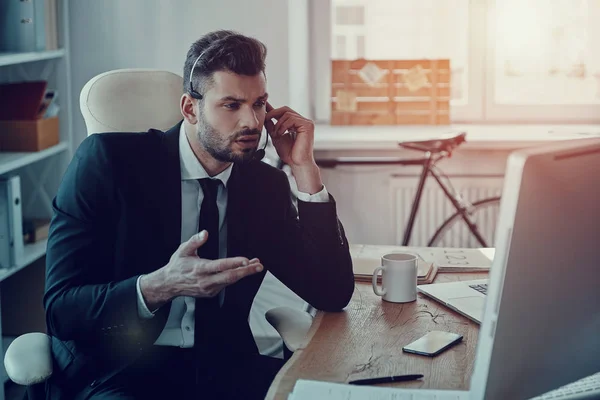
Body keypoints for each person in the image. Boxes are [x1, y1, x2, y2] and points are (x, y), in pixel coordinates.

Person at [42, 30, 354, 399]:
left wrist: (305, 170)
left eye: (259, 104)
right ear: (190, 109)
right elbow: (61, 309)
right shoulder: (108, 163)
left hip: (223, 368)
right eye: (232, 105)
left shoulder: (263, 186)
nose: (252, 122)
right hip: (120, 369)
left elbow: (331, 291)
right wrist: (161, 285)